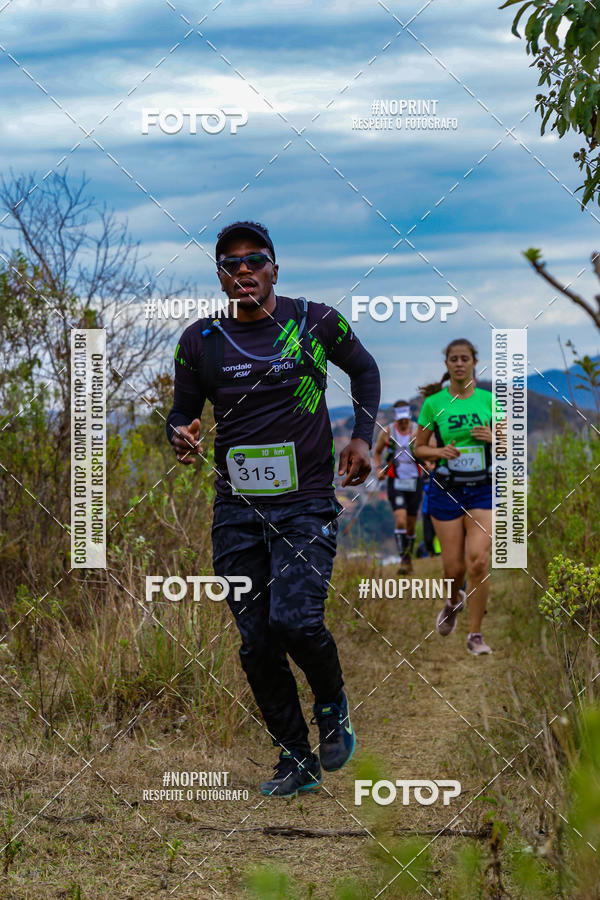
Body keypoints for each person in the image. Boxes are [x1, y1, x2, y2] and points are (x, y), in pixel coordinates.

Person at [166, 221, 380, 797]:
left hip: (306, 501)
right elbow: (181, 413)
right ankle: (296, 758)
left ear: (274, 269)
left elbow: (364, 370)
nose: (243, 270)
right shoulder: (200, 342)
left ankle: (331, 704)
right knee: (256, 641)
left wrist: (363, 437)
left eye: (254, 260)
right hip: (236, 510)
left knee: (296, 620)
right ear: (219, 275)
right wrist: (180, 436)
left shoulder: (313, 322)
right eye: (230, 264)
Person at [413, 338, 495, 656]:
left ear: (475, 362)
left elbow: (507, 445)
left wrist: (494, 436)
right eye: (453, 359)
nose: (459, 363)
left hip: (482, 488)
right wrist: (439, 450)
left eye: (464, 358)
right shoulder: (434, 403)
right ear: (446, 365)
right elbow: (418, 449)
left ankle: (475, 635)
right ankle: (451, 601)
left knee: (478, 561)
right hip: (446, 488)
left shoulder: (489, 400)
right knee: (454, 567)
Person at [373, 401, 422, 573]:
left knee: (410, 524)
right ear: (395, 417)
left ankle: (409, 559)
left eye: (405, 419)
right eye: (399, 419)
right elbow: (377, 451)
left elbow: (429, 448)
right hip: (396, 481)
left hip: (416, 481)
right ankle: (404, 560)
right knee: (400, 520)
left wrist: (429, 463)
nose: (402, 423)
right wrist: (379, 469)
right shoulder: (387, 432)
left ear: (409, 416)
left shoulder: (419, 430)